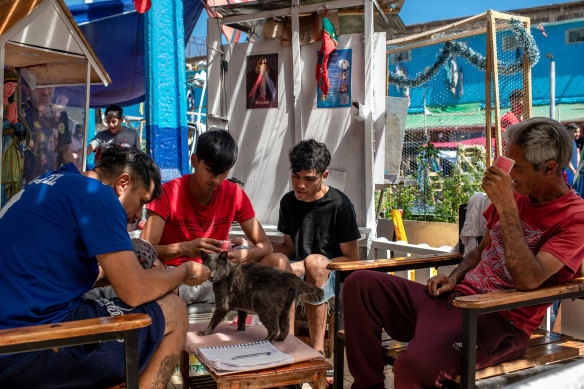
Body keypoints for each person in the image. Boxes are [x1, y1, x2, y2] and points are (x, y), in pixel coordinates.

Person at [343, 117, 584, 389]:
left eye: (517, 167)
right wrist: (454, 277)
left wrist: (507, 207)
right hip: (455, 301)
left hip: (496, 321)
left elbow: (528, 280)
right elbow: (480, 252)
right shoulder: (517, 194)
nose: (507, 173)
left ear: (549, 168)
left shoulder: (575, 218)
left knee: (411, 368)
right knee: (360, 283)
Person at [0, 145, 209, 388]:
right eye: (141, 201)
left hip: (13, 332)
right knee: (174, 310)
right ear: (123, 183)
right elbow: (134, 291)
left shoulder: (50, 181)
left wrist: (116, 274)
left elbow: (56, 271)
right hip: (25, 346)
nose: (138, 216)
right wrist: (185, 272)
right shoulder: (97, 195)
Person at [141, 129, 288, 305]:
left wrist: (246, 256)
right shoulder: (168, 193)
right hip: (177, 276)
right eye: (211, 171)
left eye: (223, 173)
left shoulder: (234, 194)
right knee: (151, 268)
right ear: (194, 160)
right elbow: (144, 252)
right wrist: (185, 248)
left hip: (222, 277)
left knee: (279, 262)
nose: (216, 180)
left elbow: (265, 246)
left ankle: (285, 332)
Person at [263, 139, 361, 356]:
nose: (300, 185)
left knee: (314, 263)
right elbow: (288, 246)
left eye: (308, 179)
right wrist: (257, 250)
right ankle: (285, 344)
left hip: (332, 274)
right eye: (295, 177)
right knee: (277, 263)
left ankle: (316, 352)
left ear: (323, 176)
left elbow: (352, 258)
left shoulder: (340, 205)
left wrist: (308, 265)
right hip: (299, 271)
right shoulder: (288, 202)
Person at [22, 86, 73, 184]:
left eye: (49, 86)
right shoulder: (20, 113)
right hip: (24, 186)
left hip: (51, 185)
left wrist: (77, 178)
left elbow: (66, 150)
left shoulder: (60, 116)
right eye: (39, 86)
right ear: (26, 89)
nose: (46, 92)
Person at [2, 69, 30, 206]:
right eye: (8, 86)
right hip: (2, 155)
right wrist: (7, 121)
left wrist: (15, 123)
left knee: (11, 196)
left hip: (13, 157)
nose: (11, 91)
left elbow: (24, 135)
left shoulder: (12, 107)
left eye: (14, 87)